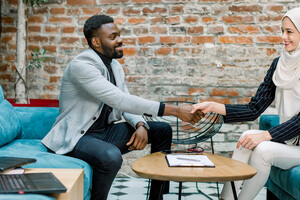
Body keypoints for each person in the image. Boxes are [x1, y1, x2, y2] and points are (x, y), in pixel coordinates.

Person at [42, 14, 200, 200]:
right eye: (113, 37)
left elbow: (126, 102)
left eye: (119, 35)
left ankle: (157, 197)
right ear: (95, 42)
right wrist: (175, 110)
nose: (120, 40)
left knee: (162, 130)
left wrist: (141, 125)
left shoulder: (115, 66)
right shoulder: (82, 66)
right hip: (78, 136)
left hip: (104, 133)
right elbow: (119, 100)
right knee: (111, 156)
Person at [191, 7, 300, 200]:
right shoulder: (280, 64)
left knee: (263, 149)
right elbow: (254, 108)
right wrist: (213, 106)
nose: (283, 36)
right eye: (282, 30)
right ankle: (227, 198)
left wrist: (265, 135)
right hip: (288, 141)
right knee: (246, 137)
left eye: (289, 32)